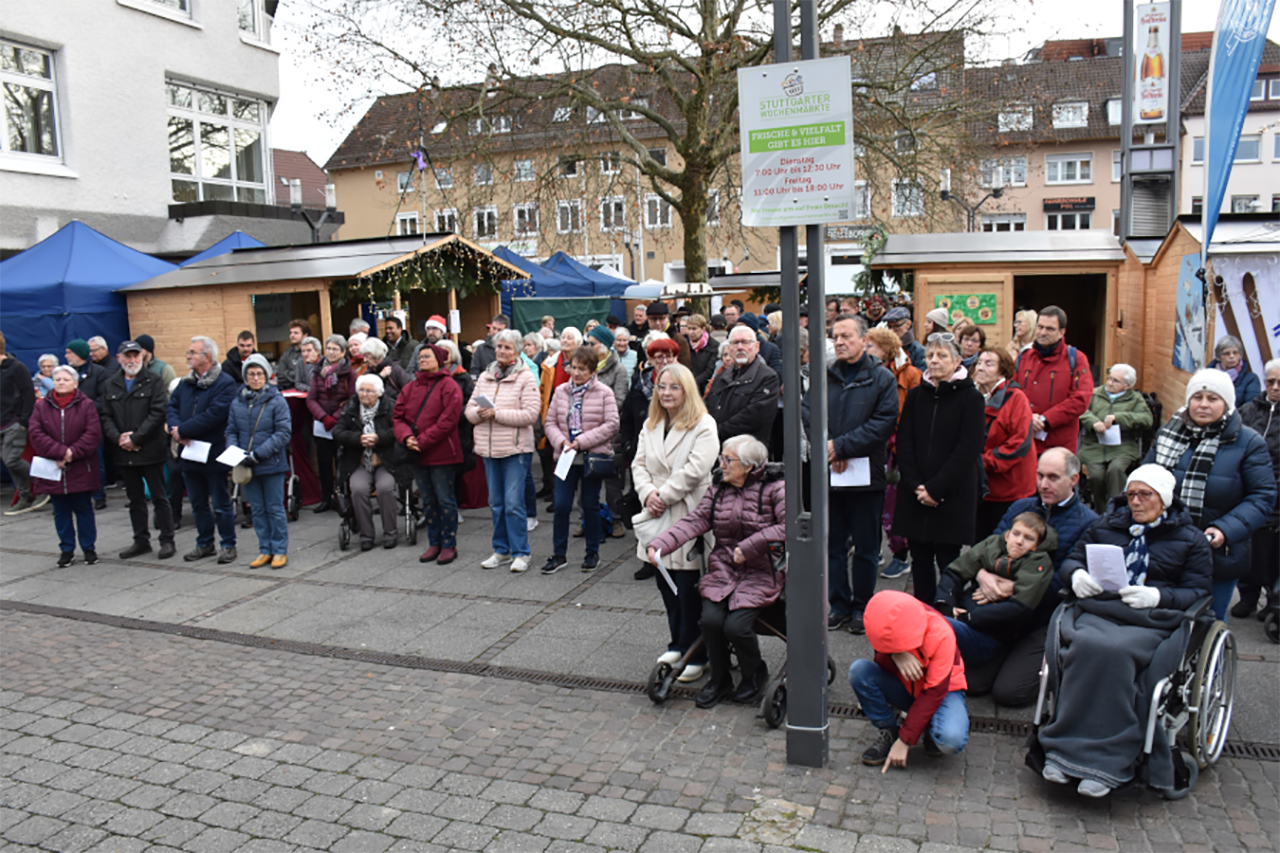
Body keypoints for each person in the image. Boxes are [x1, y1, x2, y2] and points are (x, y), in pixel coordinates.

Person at [1039, 465, 1212, 798]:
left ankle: (1109, 760)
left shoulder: (1191, 540)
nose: (1135, 501)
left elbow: (1198, 592)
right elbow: (1073, 559)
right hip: (1102, 609)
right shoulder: (1107, 525)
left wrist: (1159, 595)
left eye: (1145, 494)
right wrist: (1076, 575)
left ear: (1163, 499)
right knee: (1084, 643)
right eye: (1131, 494)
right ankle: (1063, 748)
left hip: (1152, 619)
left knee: (1115, 652)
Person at [647, 436, 785, 709]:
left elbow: (787, 527)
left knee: (737, 626)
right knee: (709, 621)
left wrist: (750, 546)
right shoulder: (719, 488)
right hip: (724, 569)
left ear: (748, 465)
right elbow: (697, 519)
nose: (721, 464)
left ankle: (754, 675)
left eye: (727, 459)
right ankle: (720, 680)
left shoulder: (775, 488)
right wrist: (660, 545)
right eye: (722, 457)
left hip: (761, 571)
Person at [1143, 368, 1277, 622]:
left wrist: (1226, 529)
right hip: (1166, 545)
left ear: (1226, 403)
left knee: (1207, 622)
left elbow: (1262, 496)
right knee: (1162, 620)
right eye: (1197, 397)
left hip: (1219, 552)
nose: (1203, 404)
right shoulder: (1169, 434)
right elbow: (1145, 480)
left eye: (1212, 398)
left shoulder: (1249, 443)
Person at [973, 447, 1099, 706]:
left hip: (1043, 617)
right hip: (1003, 609)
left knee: (1009, 693)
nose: (1043, 484)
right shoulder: (1021, 507)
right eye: (1040, 476)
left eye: (1053, 477)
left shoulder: (1089, 523)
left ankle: (1047, 660)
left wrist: (1014, 588)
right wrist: (982, 574)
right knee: (972, 683)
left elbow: (1062, 579)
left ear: (1073, 479)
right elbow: (988, 548)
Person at [805, 314, 899, 635]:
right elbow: (808, 413)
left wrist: (842, 447)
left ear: (863, 340)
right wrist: (829, 447)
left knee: (866, 547)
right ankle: (839, 604)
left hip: (866, 477)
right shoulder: (826, 376)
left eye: (847, 336)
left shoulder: (881, 378)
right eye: (836, 336)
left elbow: (884, 421)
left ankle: (863, 606)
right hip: (830, 474)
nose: (840, 342)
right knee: (832, 545)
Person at [631, 363, 719, 679]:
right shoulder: (651, 423)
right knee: (665, 583)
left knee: (688, 586)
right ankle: (677, 643)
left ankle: (698, 651)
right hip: (656, 513)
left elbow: (696, 470)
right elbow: (638, 464)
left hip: (687, 512)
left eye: (674, 387)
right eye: (662, 386)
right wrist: (647, 494)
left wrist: (662, 495)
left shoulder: (704, 424)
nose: (666, 393)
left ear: (686, 390)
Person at [891, 333, 985, 608]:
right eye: (930, 355)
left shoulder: (971, 398)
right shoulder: (917, 395)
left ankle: (946, 615)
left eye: (942, 355)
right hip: (916, 492)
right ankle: (922, 613)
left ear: (957, 361)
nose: (934, 360)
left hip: (950, 493)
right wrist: (917, 485)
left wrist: (935, 488)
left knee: (948, 560)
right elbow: (904, 442)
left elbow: (968, 449)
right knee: (920, 558)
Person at [848, 590, 969, 768]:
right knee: (859, 671)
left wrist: (905, 741)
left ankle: (926, 725)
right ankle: (889, 730)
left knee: (951, 740)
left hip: (945, 692)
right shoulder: (884, 617)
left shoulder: (941, 634)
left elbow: (934, 692)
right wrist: (894, 654)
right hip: (907, 687)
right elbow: (880, 661)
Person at [935, 512, 1054, 671]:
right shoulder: (992, 545)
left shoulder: (1038, 562)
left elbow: (1019, 608)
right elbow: (954, 572)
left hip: (989, 632)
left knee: (937, 626)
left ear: (1036, 545)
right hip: (963, 611)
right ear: (1007, 535)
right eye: (1016, 534)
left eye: (1028, 538)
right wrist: (945, 604)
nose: (1019, 541)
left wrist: (968, 617)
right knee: (927, 617)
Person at [466, 329, 540, 573]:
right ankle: (501, 550)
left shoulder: (526, 377)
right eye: (499, 347)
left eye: (508, 348)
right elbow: (469, 411)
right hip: (489, 449)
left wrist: (496, 413)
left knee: (513, 503)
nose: (502, 351)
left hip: (515, 449)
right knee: (495, 502)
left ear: (517, 351)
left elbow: (531, 414)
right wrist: (480, 413)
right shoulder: (485, 377)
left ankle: (521, 552)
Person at [541, 346, 621, 574]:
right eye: (573, 367)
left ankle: (592, 552)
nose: (576, 373)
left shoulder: (604, 392)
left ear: (592, 371)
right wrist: (561, 442)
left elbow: (612, 424)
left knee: (590, 505)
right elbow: (549, 423)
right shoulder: (560, 391)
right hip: (566, 457)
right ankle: (559, 554)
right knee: (562, 505)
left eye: (582, 369)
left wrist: (582, 441)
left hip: (591, 457)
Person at [99, 341, 175, 560]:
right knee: (135, 500)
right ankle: (141, 541)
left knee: (160, 498)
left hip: (150, 450)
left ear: (142, 357)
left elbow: (158, 413)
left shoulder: (154, 381)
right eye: (127, 356)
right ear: (119, 358)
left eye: (135, 356)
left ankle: (167, 540)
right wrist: (118, 438)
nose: (132, 360)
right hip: (124, 452)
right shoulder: (110, 384)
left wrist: (136, 437)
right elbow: (105, 416)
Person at [167, 336, 238, 563]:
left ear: (206, 356)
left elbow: (216, 415)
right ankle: (204, 543)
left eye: (192, 353)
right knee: (198, 504)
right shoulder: (185, 382)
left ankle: (228, 544)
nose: (188, 356)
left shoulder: (224, 382)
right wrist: (174, 428)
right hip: (189, 454)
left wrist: (183, 430)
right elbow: (171, 406)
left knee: (220, 504)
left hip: (214, 453)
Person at [394, 345, 463, 562]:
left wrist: (422, 441)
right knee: (427, 500)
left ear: (439, 360)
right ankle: (434, 542)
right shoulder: (410, 387)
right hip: (417, 454)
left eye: (427, 356)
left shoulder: (449, 385)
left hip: (442, 454)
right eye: (420, 356)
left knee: (445, 500)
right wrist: (407, 438)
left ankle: (449, 544)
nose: (422, 359)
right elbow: (398, 417)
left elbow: (448, 420)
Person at [862, 326, 922, 579]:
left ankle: (900, 555)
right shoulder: (867, 372)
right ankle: (873, 550)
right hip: (873, 447)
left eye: (871, 346)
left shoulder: (911, 375)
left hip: (897, 450)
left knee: (893, 506)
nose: (866, 350)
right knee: (871, 504)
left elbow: (913, 414)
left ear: (885, 348)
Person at [28, 365, 102, 567]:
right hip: (53, 469)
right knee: (60, 512)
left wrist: (71, 453)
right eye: (58, 379)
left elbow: (92, 433)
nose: (61, 382)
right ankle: (66, 550)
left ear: (75, 383)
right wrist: (59, 452)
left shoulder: (86, 405)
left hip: (80, 467)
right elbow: (36, 433)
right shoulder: (41, 406)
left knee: (84, 510)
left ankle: (89, 548)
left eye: (66, 379)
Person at [226, 354, 292, 568]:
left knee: (275, 508)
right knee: (257, 510)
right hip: (246, 465)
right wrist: (234, 450)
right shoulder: (237, 402)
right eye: (251, 374)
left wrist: (258, 454)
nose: (255, 378)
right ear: (245, 377)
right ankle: (265, 549)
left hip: (270, 463)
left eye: (259, 374)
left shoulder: (277, 401)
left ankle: (280, 550)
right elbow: (231, 430)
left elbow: (282, 433)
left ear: (267, 375)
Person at [1232, 359, 1279, 618]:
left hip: (1276, 492)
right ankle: (1248, 595)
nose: (1274, 387)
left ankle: (1273, 598)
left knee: (1272, 551)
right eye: (1270, 382)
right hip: (1247, 490)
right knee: (1248, 547)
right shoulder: (1249, 410)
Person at [972, 347, 1037, 536]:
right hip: (982, 488)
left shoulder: (1016, 398)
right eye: (979, 363)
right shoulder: (974, 396)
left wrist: (981, 463)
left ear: (1003, 370)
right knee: (981, 545)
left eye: (989, 363)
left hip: (1011, 488)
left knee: (1007, 546)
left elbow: (1019, 443)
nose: (981, 368)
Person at [1014, 306, 1094, 456]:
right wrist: (1027, 416)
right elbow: (1011, 392)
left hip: (1059, 447)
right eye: (1040, 327)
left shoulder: (1076, 359)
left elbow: (1080, 400)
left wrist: (1045, 419)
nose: (1043, 333)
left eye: (1050, 329)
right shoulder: (1023, 358)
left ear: (1062, 332)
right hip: (1024, 442)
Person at [1078, 363, 1152, 510]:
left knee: (1116, 471)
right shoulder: (1095, 394)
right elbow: (1081, 410)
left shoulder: (1135, 399)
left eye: (1115, 381)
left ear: (1127, 385)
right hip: (1094, 445)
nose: (1110, 383)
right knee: (1096, 476)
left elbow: (1146, 419)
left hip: (1122, 446)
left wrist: (1118, 417)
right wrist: (1093, 422)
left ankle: (1115, 508)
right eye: (1109, 379)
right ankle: (1100, 509)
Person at [704, 325, 780, 445]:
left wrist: (716, 432)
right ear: (729, 348)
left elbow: (753, 417)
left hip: (747, 452)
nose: (740, 347)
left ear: (757, 347)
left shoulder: (767, 378)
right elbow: (707, 406)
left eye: (745, 342)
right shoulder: (721, 376)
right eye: (735, 343)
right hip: (717, 447)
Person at [306, 334, 353, 513]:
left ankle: (343, 497)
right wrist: (323, 417)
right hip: (321, 424)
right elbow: (311, 398)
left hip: (341, 424)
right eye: (329, 348)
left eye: (335, 349)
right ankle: (326, 498)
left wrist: (336, 417)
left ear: (343, 352)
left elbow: (352, 399)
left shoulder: (349, 372)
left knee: (342, 462)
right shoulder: (318, 371)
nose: (331, 352)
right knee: (324, 462)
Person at [65, 338, 112, 508]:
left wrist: (86, 411)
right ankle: (75, 494)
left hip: (91, 424)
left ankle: (99, 495)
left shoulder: (99, 373)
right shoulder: (66, 374)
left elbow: (104, 398)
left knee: (95, 460)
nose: (66, 356)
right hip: (69, 425)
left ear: (79, 354)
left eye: (69, 352)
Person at [1, 332, 44, 515]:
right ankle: (26, 495)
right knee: (9, 461)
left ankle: (44, 482)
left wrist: (24, 420)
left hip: (14, 422)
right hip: (2, 423)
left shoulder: (17, 368)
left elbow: (28, 395)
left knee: (11, 459)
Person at [1207, 335, 1261, 405]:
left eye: (1235, 352)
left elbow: (1251, 407)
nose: (1232, 356)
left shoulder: (1251, 379)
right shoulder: (1206, 376)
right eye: (1227, 353)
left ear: (1240, 355)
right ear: (1218, 357)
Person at [361, 337, 412, 402]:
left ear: (377, 355)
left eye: (367, 356)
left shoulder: (395, 370)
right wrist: (380, 377)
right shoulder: (368, 374)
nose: (364, 360)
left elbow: (410, 392)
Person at [646, 301, 692, 367]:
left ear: (667, 317)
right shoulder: (646, 338)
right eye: (654, 319)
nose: (658, 323)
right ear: (648, 319)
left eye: (661, 318)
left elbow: (684, 367)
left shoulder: (678, 339)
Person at [469, 313, 510, 378]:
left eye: (499, 330)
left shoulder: (511, 350)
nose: (495, 332)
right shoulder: (480, 349)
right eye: (494, 328)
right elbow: (474, 372)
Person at [275, 319, 311, 390]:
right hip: (289, 394)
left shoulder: (312, 352)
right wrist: (298, 376)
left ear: (305, 335)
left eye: (296, 333)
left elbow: (308, 377)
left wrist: (287, 374)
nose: (292, 335)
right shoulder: (287, 353)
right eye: (291, 333)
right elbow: (279, 376)